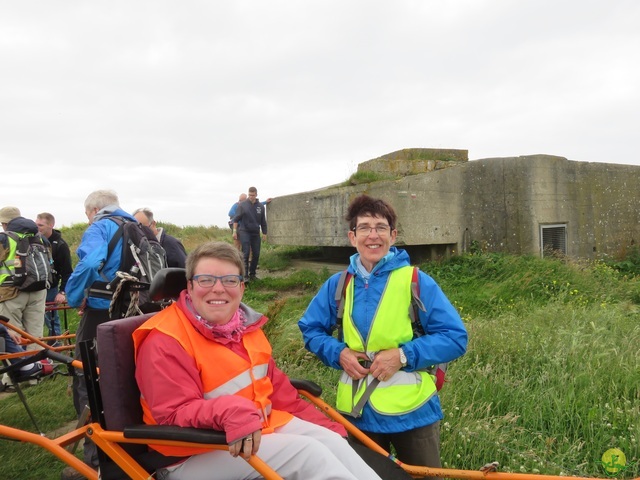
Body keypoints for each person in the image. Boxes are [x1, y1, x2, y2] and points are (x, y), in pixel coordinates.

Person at [133, 242, 385, 480]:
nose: (218, 289)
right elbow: (173, 413)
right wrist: (231, 411)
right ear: (189, 286)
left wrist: (323, 425)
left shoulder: (247, 328)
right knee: (309, 453)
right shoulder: (165, 339)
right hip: (190, 453)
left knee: (331, 441)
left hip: (253, 431)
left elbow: (281, 395)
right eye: (206, 280)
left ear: (242, 287)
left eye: (229, 280)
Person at [298, 194, 468, 478]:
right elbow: (311, 329)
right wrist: (338, 352)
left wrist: (402, 356)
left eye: (380, 227)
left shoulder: (415, 281)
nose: (372, 235)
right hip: (357, 414)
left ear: (393, 235)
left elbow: (454, 337)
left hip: (414, 413)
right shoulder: (338, 285)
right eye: (364, 227)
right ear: (352, 237)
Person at [63, 190, 138, 478]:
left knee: (87, 378)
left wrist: (73, 294)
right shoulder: (137, 227)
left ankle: (95, 460)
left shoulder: (101, 226)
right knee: (125, 375)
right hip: (133, 312)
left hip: (100, 312)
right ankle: (130, 447)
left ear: (94, 209)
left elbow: (91, 261)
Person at [0, 206, 48, 350]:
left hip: (11, 292)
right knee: (36, 334)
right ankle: (39, 366)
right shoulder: (41, 238)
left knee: (12, 334)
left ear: (5, 223)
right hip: (38, 289)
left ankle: (17, 370)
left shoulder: (4, 239)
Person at [36, 212, 73, 339]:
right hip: (35, 286)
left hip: (51, 288)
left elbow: (67, 271)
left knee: (52, 321)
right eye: (36, 225)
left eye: (40, 225)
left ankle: (55, 348)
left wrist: (62, 292)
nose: (37, 228)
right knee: (34, 320)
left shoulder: (60, 246)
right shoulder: (34, 241)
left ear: (51, 225)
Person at [232, 187, 267, 282]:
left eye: (253, 195)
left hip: (255, 232)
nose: (251, 197)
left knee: (256, 254)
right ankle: (245, 276)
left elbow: (263, 221)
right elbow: (235, 219)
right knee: (246, 252)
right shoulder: (242, 205)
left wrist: (264, 233)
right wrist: (234, 231)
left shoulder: (260, 206)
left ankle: (252, 274)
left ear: (256, 195)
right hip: (244, 231)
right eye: (250, 195)